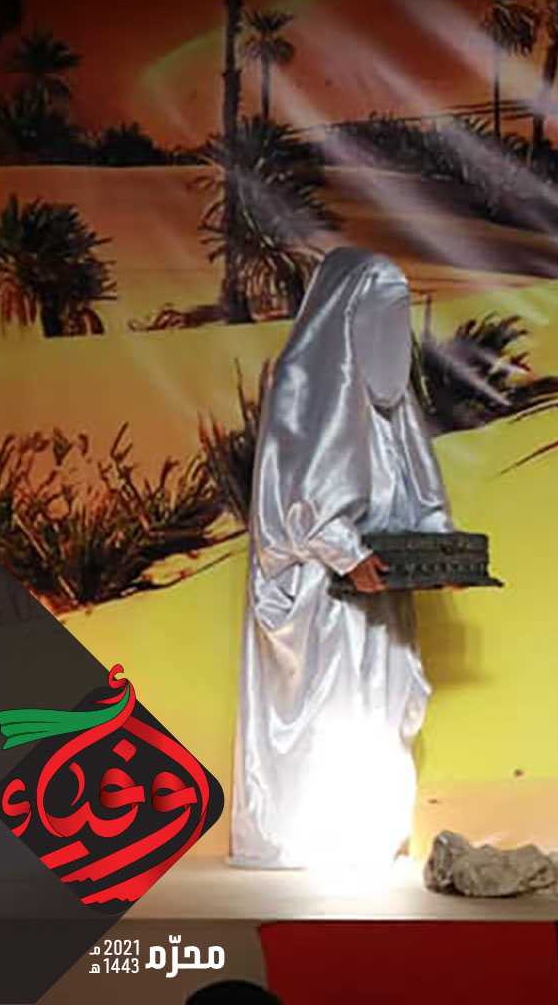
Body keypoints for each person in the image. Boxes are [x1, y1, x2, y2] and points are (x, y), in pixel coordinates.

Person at [232, 249, 450, 869]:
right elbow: (293, 494)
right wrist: (345, 552)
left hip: (378, 592)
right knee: (326, 706)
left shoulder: (392, 400)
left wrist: (442, 550)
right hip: (318, 599)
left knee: (379, 704)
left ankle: (367, 833)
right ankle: (309, 835)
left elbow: (419, 481)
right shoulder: (304, 381)